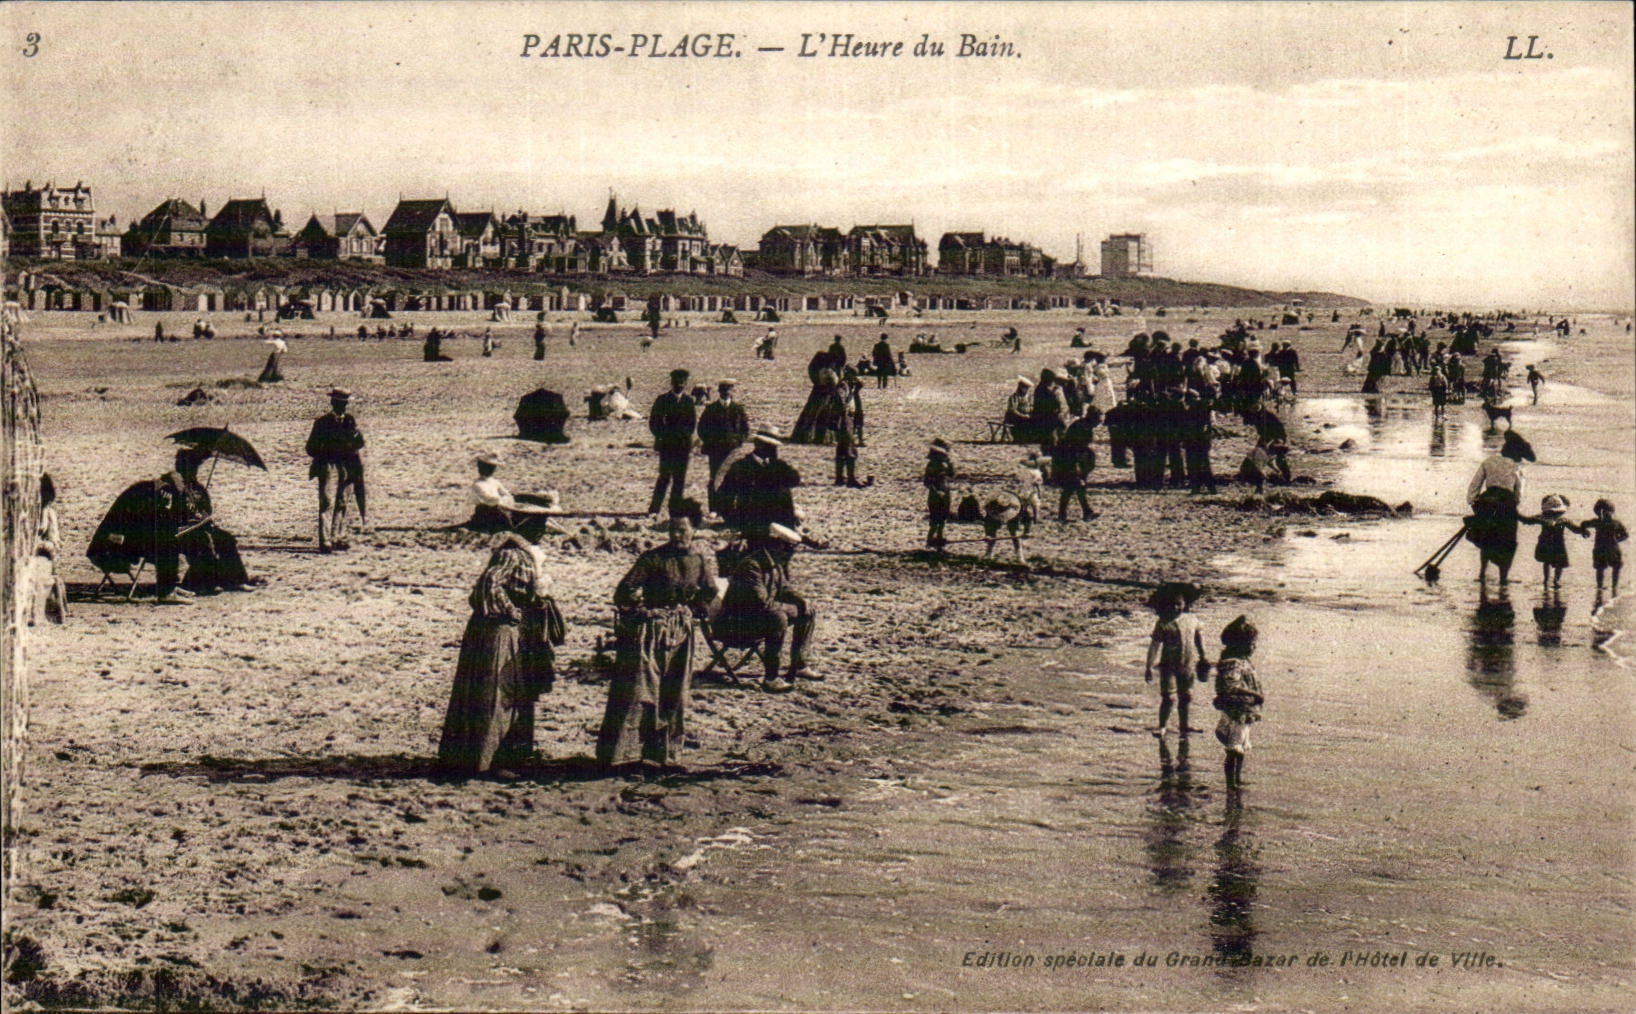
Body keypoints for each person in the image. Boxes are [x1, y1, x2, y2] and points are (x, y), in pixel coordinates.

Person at [437, 512, 562, 778]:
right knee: (499, 689)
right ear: (525, 525)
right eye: (538, 525)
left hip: (513, 630)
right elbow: (488, 587)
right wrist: (511, 610)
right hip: (500, 631)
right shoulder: (511, 554)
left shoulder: (523, 554)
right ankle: (489, 760)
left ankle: (502, 756)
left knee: (511, 689)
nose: (542, 531)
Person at [597, 500, 718, 770]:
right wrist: (643, 612)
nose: (676, 535)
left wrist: (692, 609)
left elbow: (710, 590)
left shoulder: (698, 560)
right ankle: (626, 755)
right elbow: (624, 591)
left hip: (681, 633)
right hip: (651, 634)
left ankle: (665, 754)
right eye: (672, 529)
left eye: (682, 530)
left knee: (675, 692)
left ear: (694, 529)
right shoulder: (653, 558)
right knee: (642, 691)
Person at [715, 522, 818, 693]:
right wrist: (786, 608)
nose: (790, 554)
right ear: (775, 544)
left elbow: (784, 588)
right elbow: (761, 602)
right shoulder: (751, 566)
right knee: (778, 617)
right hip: (736, 624)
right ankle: (771, 678)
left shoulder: (774, 563)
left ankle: (799, 665)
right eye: (788, 549)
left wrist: (802, 601)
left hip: (756, 618)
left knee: (807, 611)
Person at [163, 447, 254, 598]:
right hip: (180, 530)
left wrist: (202, 514)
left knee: (226, 539)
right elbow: (167, 511)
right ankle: (200, 583)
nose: (193, 471)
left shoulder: (198, 488)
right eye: (189, 466)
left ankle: (235, 580)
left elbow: (207, 509)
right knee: (202, 542)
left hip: (200, 526)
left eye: (194, 467)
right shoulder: (171, 486)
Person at [1465, 429, 1534, 584]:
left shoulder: (1489, 461)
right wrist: (1512, 506)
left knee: (1487, 540)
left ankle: (1482, 573)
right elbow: (1518, 494)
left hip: (1486, 503)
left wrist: (1473, 502)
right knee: (1508, 542)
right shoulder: (1517, 468)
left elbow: (1475, 484)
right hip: (1505, 507)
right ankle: (1503, 577)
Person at [1143, 582, 1208, 738]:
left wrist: (1203, 656)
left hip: (1188, 665)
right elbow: (1154, 646)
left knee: (1186, 696)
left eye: (1179, 604)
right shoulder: (1163, 623)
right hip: (1168, 667)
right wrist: (1149, 666)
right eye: (1171, 604)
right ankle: (1162, 726)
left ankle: (1184, 726)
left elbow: (1198, 638)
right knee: (1169, 698)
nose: (1175, 607)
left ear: (1185, 603)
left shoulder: (1192, 619)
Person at [305, 388, 366, 553]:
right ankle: (325, 541)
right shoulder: (322, 423)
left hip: (347, 466)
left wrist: (355, 437)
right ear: (332, 403)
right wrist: (326, 454)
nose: (343, 406)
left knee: (342, 502)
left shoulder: (350, 421)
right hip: (329, 466)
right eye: (339, 403)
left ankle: (337, 537)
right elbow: (310, 448)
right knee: (327, 502)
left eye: (345, 403)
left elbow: (360, 443)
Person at [719, 429, 801, 541]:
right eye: (769, 445)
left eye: (774, 446)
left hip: (778, 520)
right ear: (757, 444)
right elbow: (724, 495)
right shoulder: (742, 466)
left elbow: (795, 480)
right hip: (751, 521)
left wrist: (778, 467)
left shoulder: (777, 465)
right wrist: (733, 520)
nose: (773, 449)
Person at [1212, 615, 1263, 791]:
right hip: (1237, 712)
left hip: (1243, 711)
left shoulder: (1241, 660)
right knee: (1234, 750)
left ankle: (1236, 779)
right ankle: (1231, 783)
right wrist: (1255, 694)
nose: (1254, 647)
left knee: (1239, 748)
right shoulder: (1233, 663)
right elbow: (1232, 686)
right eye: (1252, 643)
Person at [648, 368, 698, 518]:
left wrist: (683, 437)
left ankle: (675, 509)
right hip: (667, 446)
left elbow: (692, 424)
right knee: (664, 477)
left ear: (686, 384)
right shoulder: (662, 400)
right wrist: (663, 436)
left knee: (679, 479)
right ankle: (654, 509)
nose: (680, 385)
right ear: (672, 383)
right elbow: (654, 422)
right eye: (677, 382)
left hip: (683, 446)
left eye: (683, 382)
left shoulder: (688, 401)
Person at [696, 378, 749, 517]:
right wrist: (711, 441)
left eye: (729, 390)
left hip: (732, 451)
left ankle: (728, 508)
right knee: (715, 478)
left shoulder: (738, 409)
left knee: (732, 478)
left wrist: (737, 442)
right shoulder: (711, 409)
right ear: (719, 392)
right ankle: (714, 509)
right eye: (723, 390)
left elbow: (745, 429)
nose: (726, 393)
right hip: (715, 450)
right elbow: (701, 429)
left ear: (732, 391)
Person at [1521, 493, 1584, 588]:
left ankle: (1550, 580)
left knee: (1551, 563)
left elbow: (1528, 520)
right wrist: (1583, 531)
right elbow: (1575, 529)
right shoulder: (1561, 520)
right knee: (1555, 563)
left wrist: (1583, 531)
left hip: (1549, 544)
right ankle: (1552, 580)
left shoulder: (1546, 518)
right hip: (1555, 544)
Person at [28, 473, 66, 625]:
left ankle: (35, 614)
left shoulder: (48, 514)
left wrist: (46, 545)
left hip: (40, 556)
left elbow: (54, 542)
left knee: (40, 570)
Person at [1054, 407, 1099, 521]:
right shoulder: (1081, 427)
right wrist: (1076, 466)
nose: (1098, 423)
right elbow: (1074, 447)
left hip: (1077, 459)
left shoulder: (1084, 425)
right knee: (1073, 486)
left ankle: (1083, 511)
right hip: (1070, 459)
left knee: (1075, 487)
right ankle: (1080, 512)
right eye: (1097, 420)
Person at [1581, 499, 1627, 594]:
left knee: (1600, 568)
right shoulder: (1616, 522)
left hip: (1600, 548)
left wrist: (1584, 532)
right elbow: (1625, 535)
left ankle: (1600, 587)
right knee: (1615, 568)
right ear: (1612, 511)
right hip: (1613, 548)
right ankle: (1614, 587)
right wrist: (1617, 540)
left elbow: (1584, 524)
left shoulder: (1597, 522)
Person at [922, 437, 954, 551]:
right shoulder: (932, 465)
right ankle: (930, 541)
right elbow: (927, 482)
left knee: (942, 520)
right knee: (935, 520)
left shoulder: (944, 464)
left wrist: (950, 465)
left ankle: (939, 542)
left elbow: (951, 475)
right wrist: (937, 491)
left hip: (945, 493)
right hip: (936, 495)